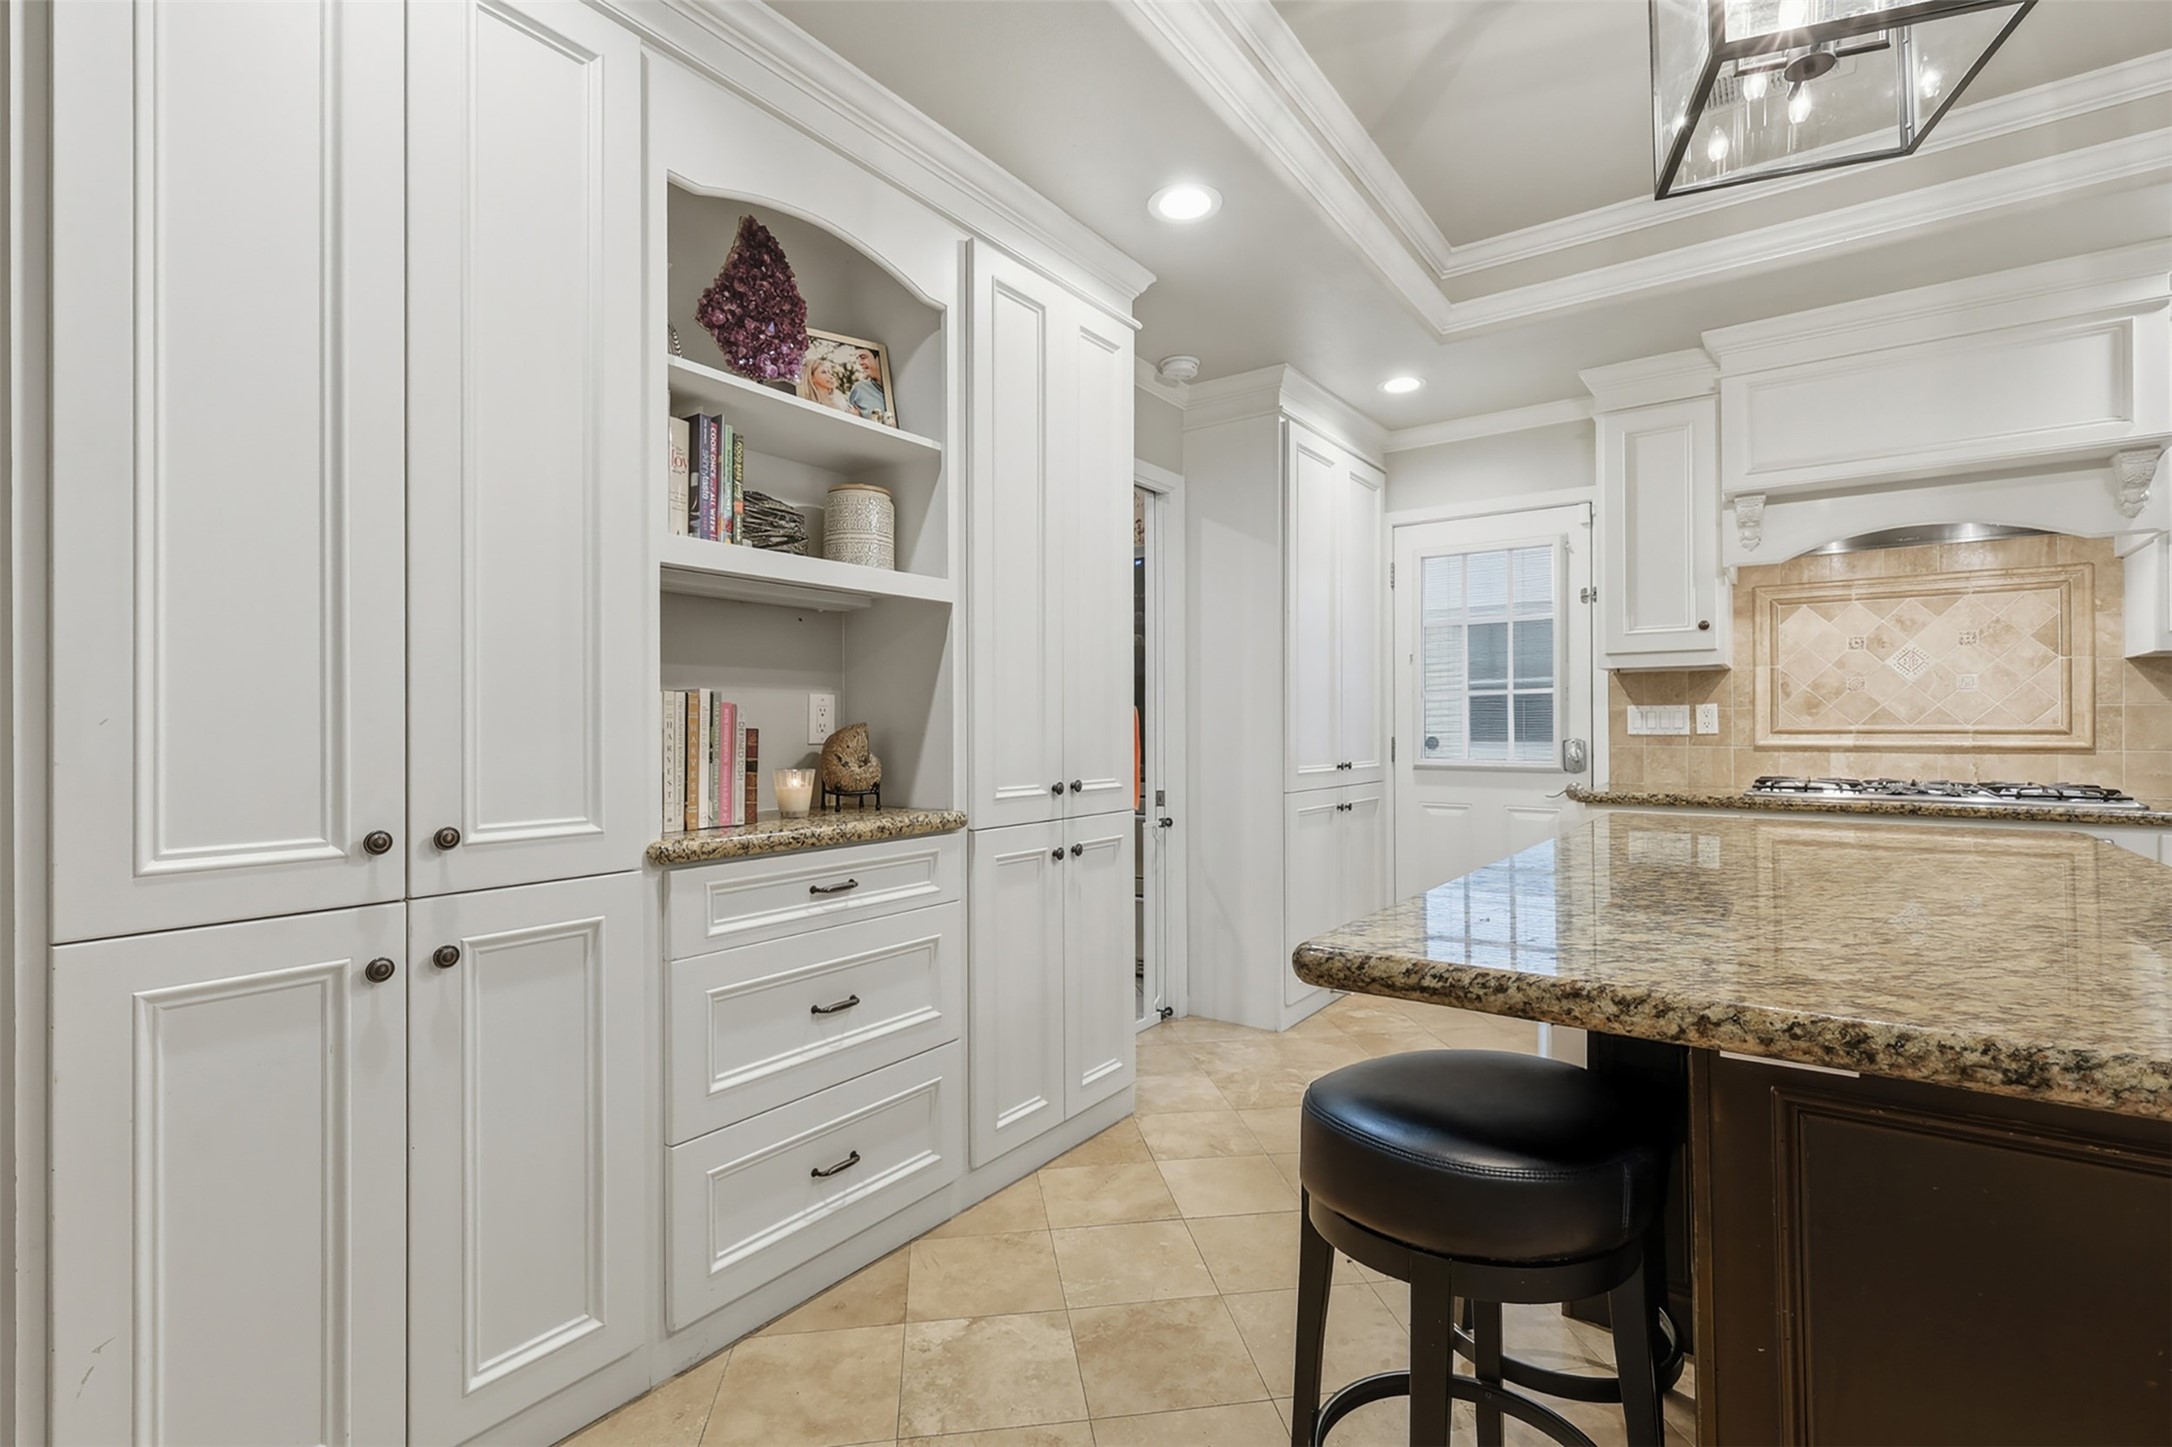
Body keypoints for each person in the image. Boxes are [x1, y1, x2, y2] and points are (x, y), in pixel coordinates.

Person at [847, 347, 890, 423]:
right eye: (858, 359)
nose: (860, 363)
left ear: (878, 359)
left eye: (863, 357)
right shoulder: (859, 390)